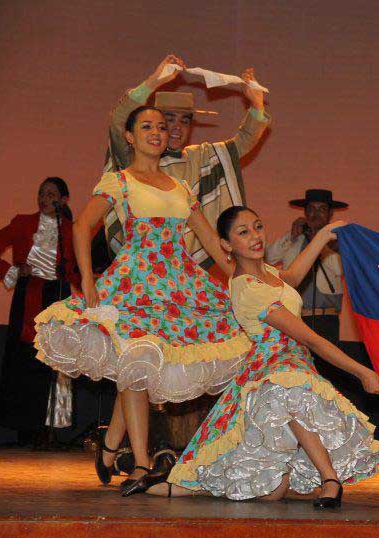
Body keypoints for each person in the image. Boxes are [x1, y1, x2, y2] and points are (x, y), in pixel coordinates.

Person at [33, 106, 250, 494]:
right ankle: (141, 463)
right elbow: (82, 226)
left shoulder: (180, 187)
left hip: (178, 285)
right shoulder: (119, 180)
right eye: (146, 126)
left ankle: (109, 446)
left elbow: (209, 241)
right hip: (136, 282)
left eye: (161, 127)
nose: (156, 132)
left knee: (141, 369)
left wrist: (244, 278)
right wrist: (87, 279)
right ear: (130, 137)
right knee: (136, 362)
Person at [141, 207, 379, 506]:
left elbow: (293, 276)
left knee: (272, 493)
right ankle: (329, 479)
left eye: (258, 227)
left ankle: (186, 489)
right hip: (271, 367)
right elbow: (310, 339)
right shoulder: (248, 289)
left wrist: (323, 235)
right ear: (227, 245)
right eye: (243, 232)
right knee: (288, 387)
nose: (255, 236)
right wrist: (362, 372)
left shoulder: (268, 274)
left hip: (292, 362)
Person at [102, 55, 271, 268]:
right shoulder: (135, 157)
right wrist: (153, 82)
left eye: (184, 121)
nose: (176, 127)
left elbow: (244, 141)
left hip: (184, 268)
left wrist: (257, 105)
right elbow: (118, 121)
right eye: (169, 120)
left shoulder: (199, 157)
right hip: (141, 265)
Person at [0, 178, 80, 445]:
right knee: (25, 361)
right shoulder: (22, 223)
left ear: (64, 200)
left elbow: (76, 271)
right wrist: (12, 270)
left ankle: (50, 428)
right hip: (29, 296)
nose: (44, 198)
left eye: (51, 194)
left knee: (53, 361)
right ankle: (26, 427)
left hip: (57, 297)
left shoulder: (71, 230)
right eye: (41, 193)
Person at [265, 189, 361, 405]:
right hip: (295, 317)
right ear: (305, 212)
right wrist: (291, 236)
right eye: (311, 209)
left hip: (326, 318)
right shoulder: (294, 239)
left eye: (321, 209)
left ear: (329, 214)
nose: (315, 214)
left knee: (328, 372)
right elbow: (269, 257)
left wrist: (321, 242)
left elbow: (340, 269)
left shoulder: (337, 244)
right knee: (297, 369)